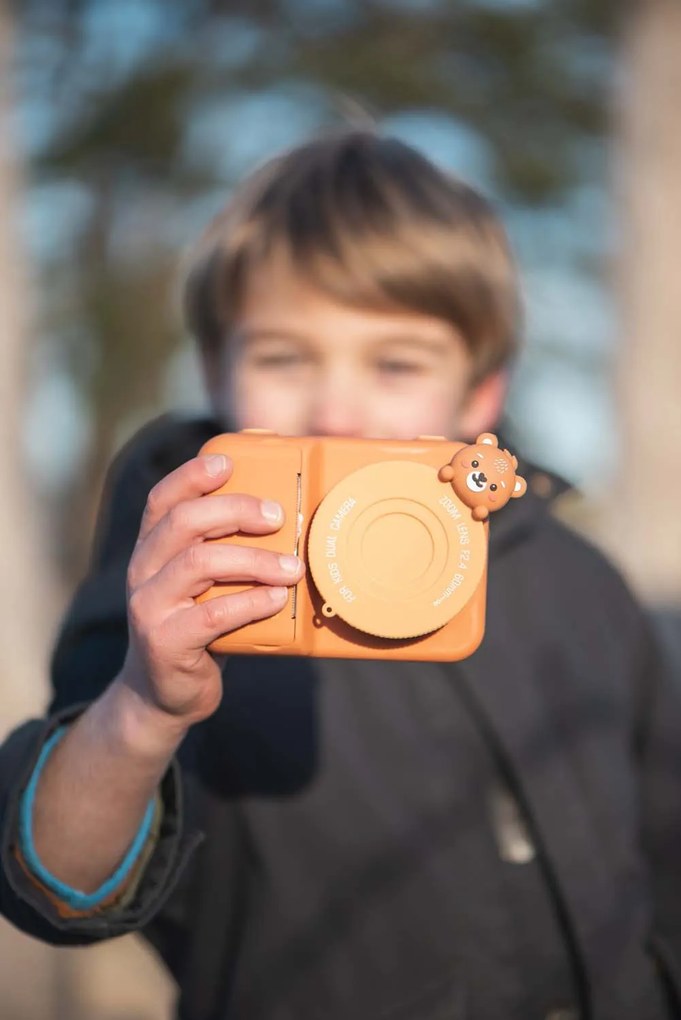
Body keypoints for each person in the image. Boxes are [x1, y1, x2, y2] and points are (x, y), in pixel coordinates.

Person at [1, 128, 681, 1020]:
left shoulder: (575, 581)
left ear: (478, 394)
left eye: (395, 363)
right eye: (283, 358)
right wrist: (142, 707)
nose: (336, 409)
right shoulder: (183, 584)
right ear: (216, 372)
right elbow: (55, 882)